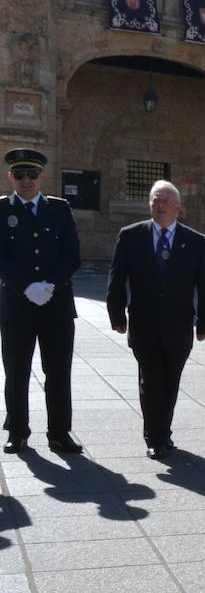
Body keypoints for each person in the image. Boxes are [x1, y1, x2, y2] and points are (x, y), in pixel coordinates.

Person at [106, 180, 205, 459]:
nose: (160, 205)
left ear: (178, 207)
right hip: (144, 324)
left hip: (179, 326)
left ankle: (164, 432)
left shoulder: (195, 241)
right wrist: (116, 314)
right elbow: (117, 278)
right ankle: (153, 436)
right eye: (155, 200)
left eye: (166, 200)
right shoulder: (131, 235)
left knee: (171, 382)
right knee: (151, 380)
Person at [1, 148, 83, 454]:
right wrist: (26, 287)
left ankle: (60, 432)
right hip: (16, 306)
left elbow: (72, 255)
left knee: (58, 372)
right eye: (20, 175)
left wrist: (49, 284)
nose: (26, 181)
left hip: (56, 305)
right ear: (11, 177)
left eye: (32, 175)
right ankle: (17, 431)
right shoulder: (1, 211)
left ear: (41, 177)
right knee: (16, 371)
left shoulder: (60, 209)